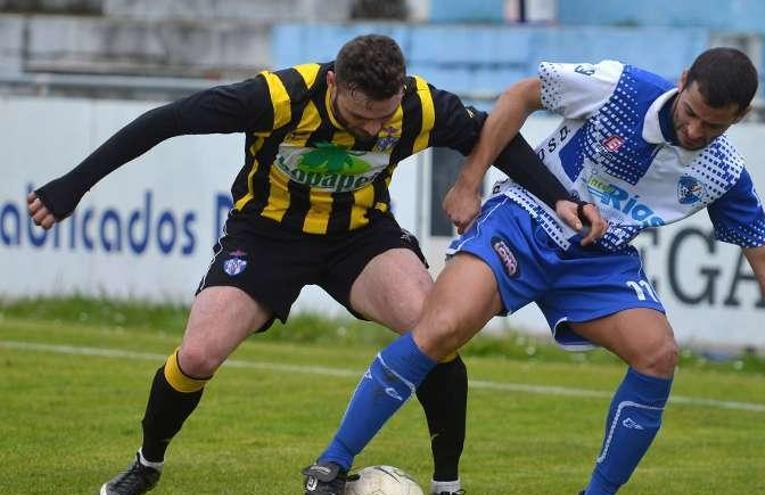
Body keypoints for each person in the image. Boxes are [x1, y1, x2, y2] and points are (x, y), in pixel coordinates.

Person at [26, 34, 600, 495]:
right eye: (361, 116)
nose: (375, 130)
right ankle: (147, 464)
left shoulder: (418, 104)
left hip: (360, 237)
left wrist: (559, 198)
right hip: (266, 235)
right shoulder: (279, 96)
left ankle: (447, 484)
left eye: (385, 116)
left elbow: (495, 136)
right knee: (198, 354)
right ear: (333, 84)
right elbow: (167, 120)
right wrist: (73, 186)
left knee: (438, 331)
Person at [301, 47, 765, 494]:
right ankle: (331, 464)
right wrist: (469, 180)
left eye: (713, 126)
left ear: (740, 117)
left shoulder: (724, 172)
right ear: (683, 82)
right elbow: (520, 94)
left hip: (598, 260)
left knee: (658, 354)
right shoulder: (620, 87)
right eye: (692, 113)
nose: (695, 131)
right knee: (440, 330)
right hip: (526, 217)